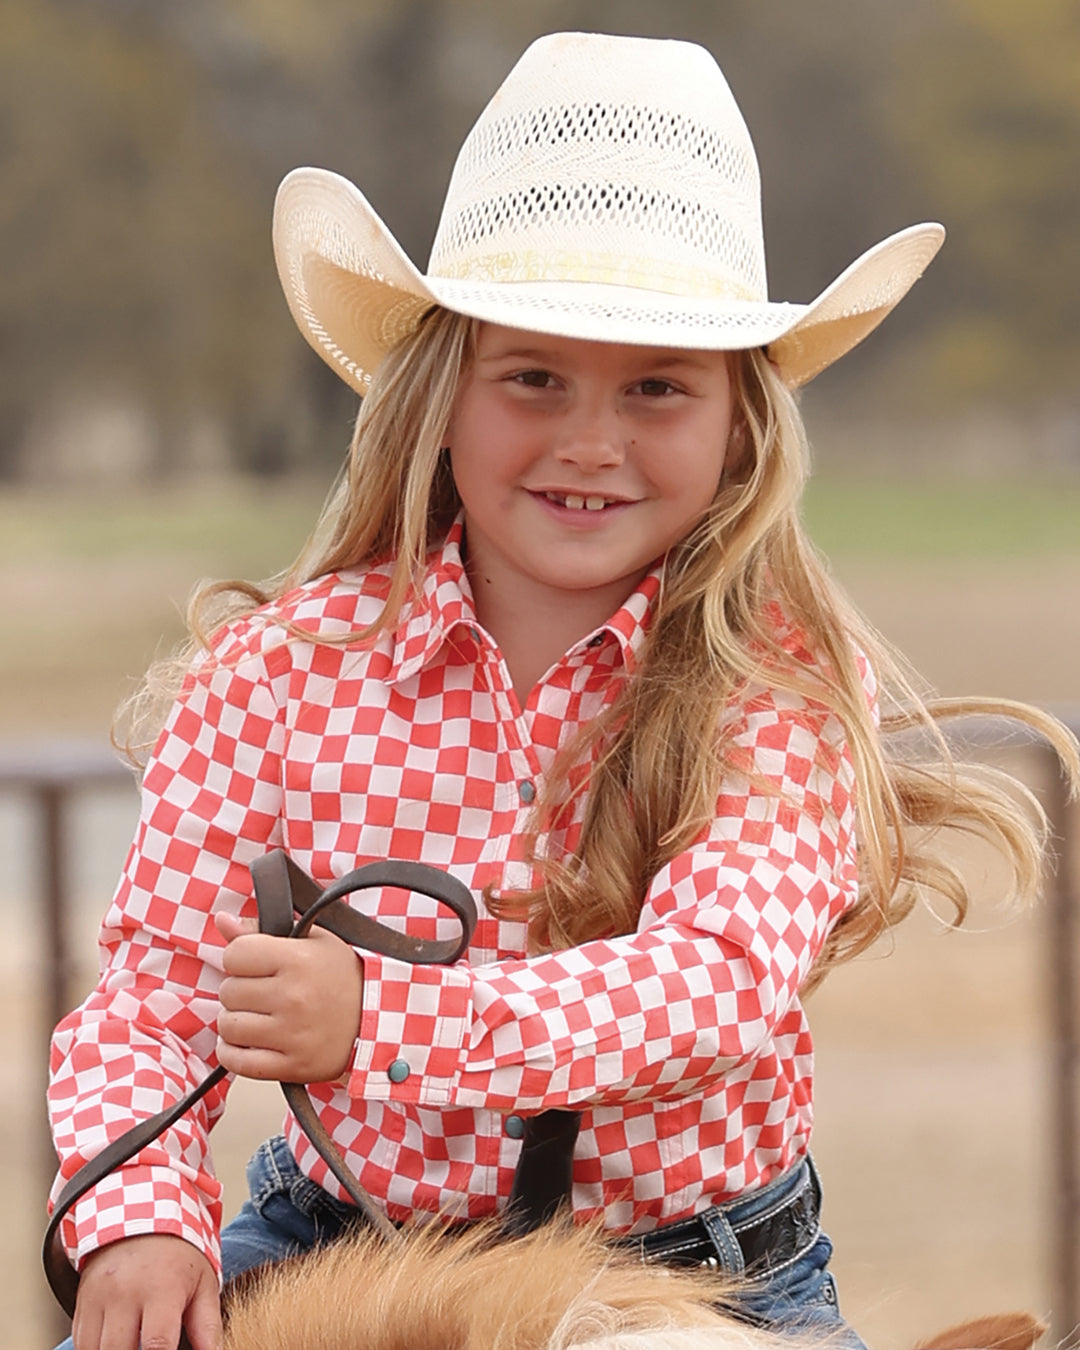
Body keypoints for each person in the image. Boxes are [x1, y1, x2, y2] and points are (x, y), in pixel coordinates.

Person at [47, 30, 1078, 1350]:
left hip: (695, 1265)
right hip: (346, 1239)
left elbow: (710, 986)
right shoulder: (281, 675)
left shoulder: (778, 688)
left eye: (657, 388)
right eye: (534, 377)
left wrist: (381, 1015)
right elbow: (159, 984)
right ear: (445, 395)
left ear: (738, 426)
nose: (591, 441)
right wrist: (135, 1204)